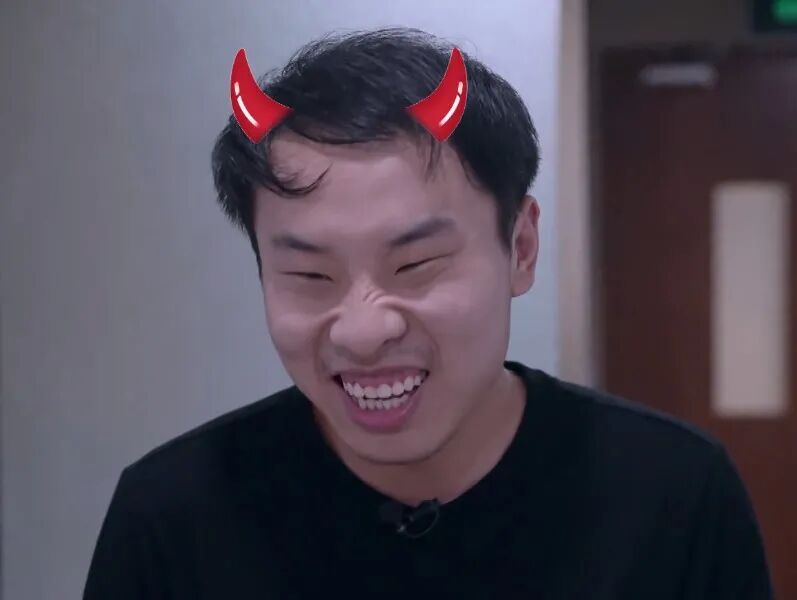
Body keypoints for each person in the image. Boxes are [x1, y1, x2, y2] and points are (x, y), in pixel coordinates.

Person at [83, 27, 773, 599]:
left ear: (520, 248)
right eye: (309, 275)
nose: (363, 330)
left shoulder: (674, 496)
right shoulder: (173, 516)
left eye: (415, 266)